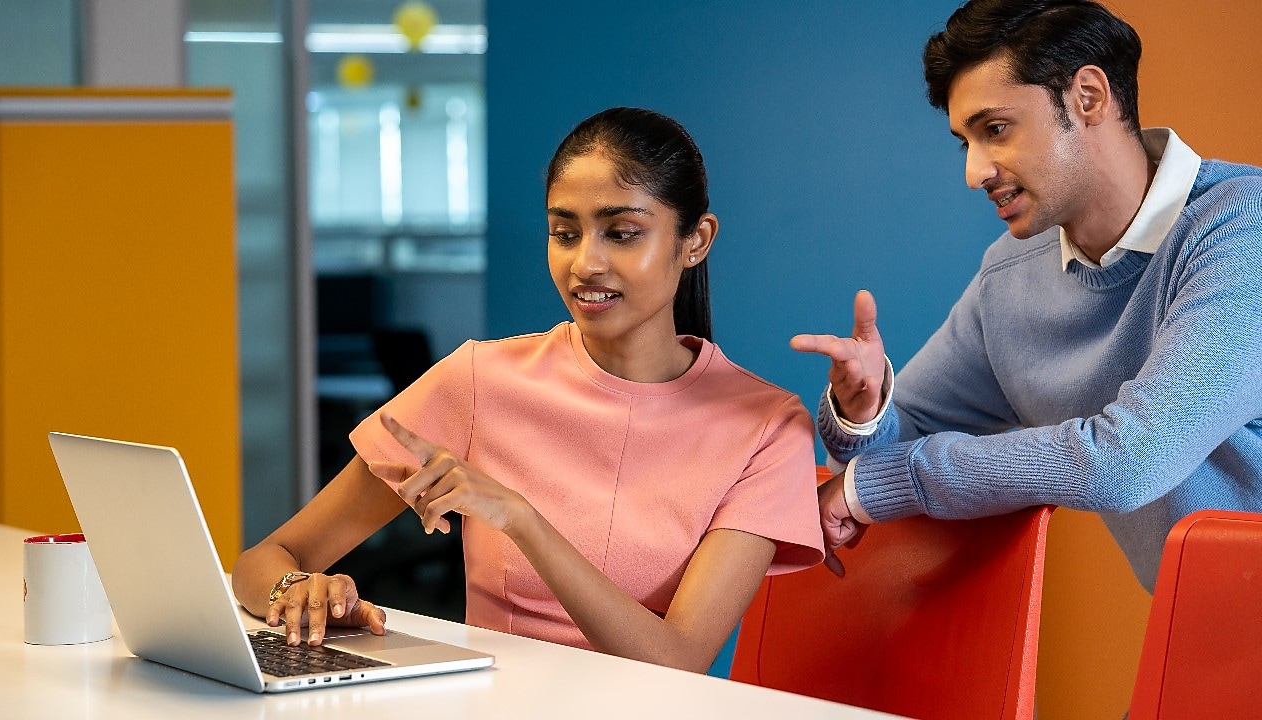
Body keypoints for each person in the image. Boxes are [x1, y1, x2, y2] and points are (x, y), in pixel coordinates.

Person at [233, 107, 824, 673]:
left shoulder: (767, 427)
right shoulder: (478, 380)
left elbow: (677, 660)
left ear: (694, 241)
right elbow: (261, 563)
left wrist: (521, 519)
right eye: (564, 233)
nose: (586, 263)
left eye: (621, 233)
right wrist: (298, 591)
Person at [792, 0, 1262, 590]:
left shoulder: (1244, 230)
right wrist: (865, 414)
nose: (974, 171)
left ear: (1088, 98)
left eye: (995, 130)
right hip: (1199, 631)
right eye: (965, 142)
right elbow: (891, 448)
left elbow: (1125, 462)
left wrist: (880, 488)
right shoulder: (1011, 277)